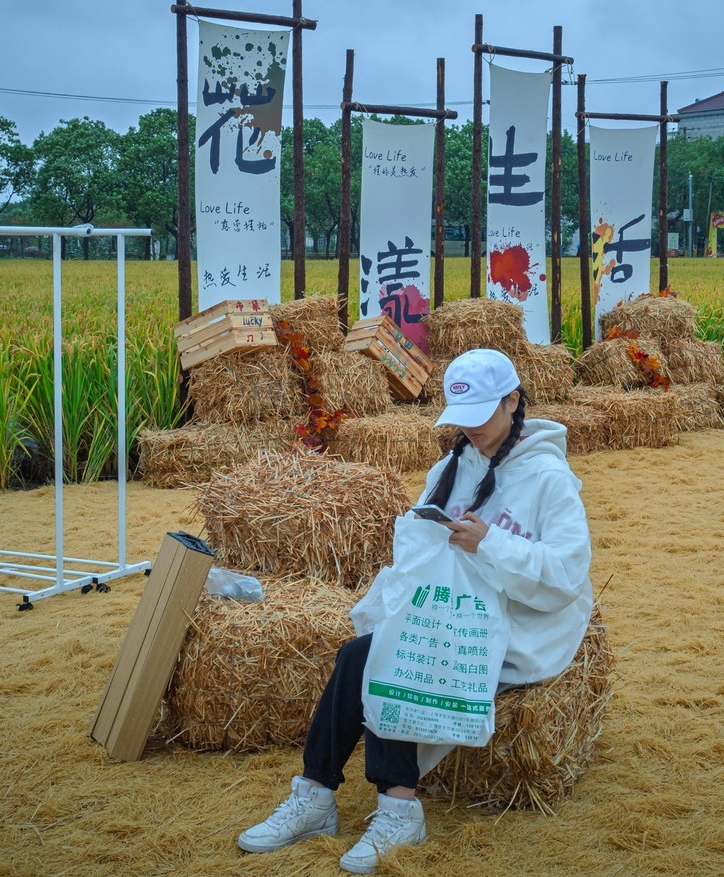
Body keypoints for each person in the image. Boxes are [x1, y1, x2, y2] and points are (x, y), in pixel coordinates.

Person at [237, 347, 593, 874]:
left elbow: (568, 571)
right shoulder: (450, 468)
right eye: (462, 417)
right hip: (452, 607)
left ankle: (397, 809)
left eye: (481, 415)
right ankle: (315, 793)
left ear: (513, 402)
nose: (470, 428)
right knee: (361, 653)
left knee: (399, 654)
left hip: (517, 621)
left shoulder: (547, 477)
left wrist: (491, 543)